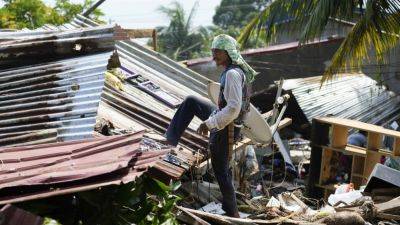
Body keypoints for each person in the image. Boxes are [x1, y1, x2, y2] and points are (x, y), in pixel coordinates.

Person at [164, 34, 257, 217]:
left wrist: (210, 123)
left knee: (221, 170)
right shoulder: (233, 71)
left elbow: (233, 108)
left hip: (227, 126)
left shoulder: (232, 74)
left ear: (228, 52)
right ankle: (169, 141)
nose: (213, 56)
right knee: (191, 101)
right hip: (223, 118)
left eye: (217, 52)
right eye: (212, 51)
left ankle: (233, 214)